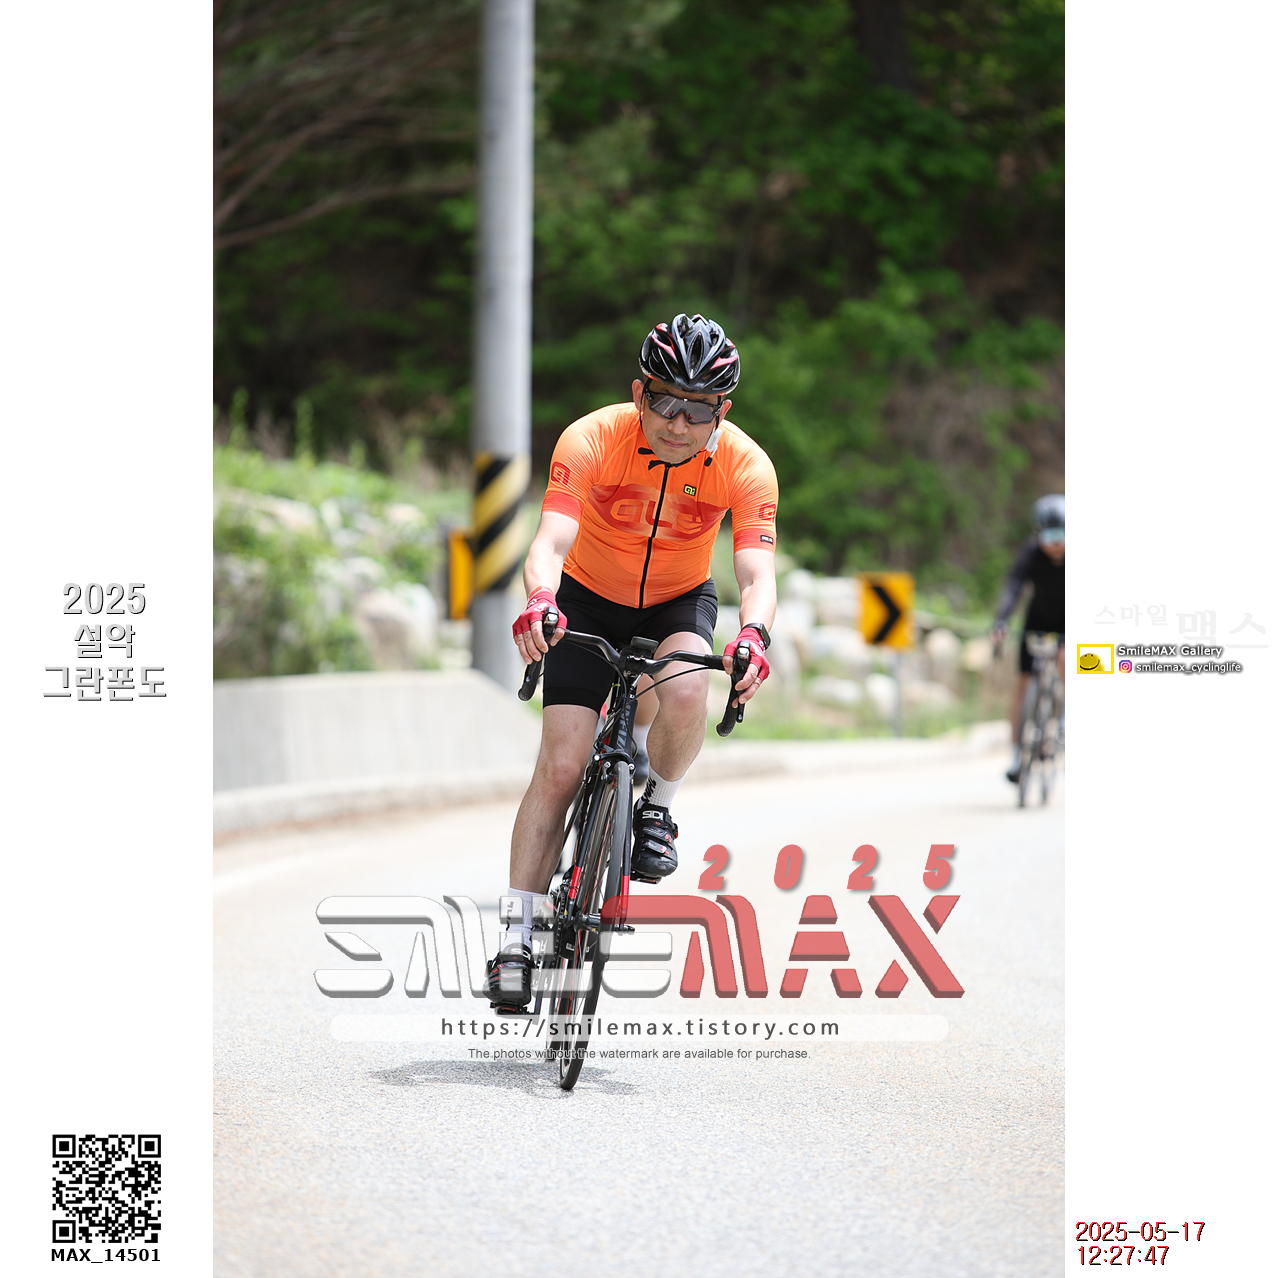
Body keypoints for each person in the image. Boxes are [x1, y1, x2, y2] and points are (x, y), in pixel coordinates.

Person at [487, 313, 779, 1010]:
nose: (678, 423)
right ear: (638, 393)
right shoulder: (591, 438)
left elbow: (757, 574)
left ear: (722, 412)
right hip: (585, 598)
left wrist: (754, 635)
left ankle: (658, 811)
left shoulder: (747, 465)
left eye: (698, 409)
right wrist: (540, 599)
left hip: (677, 602)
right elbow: (549, 542)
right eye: (665, 401)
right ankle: (516, 941)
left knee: (688, 690)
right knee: (561, 766)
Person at [991, 494, 1065, 783]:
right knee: (1024, 683)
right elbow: (1014, 586)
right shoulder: (1031, 553)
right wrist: (1001, 621)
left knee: (1068, 659)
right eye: (1049, 535)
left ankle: (1065, 720)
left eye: (1061, 535)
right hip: (1037, 620)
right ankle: (1014, 755)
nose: (1055, 543)